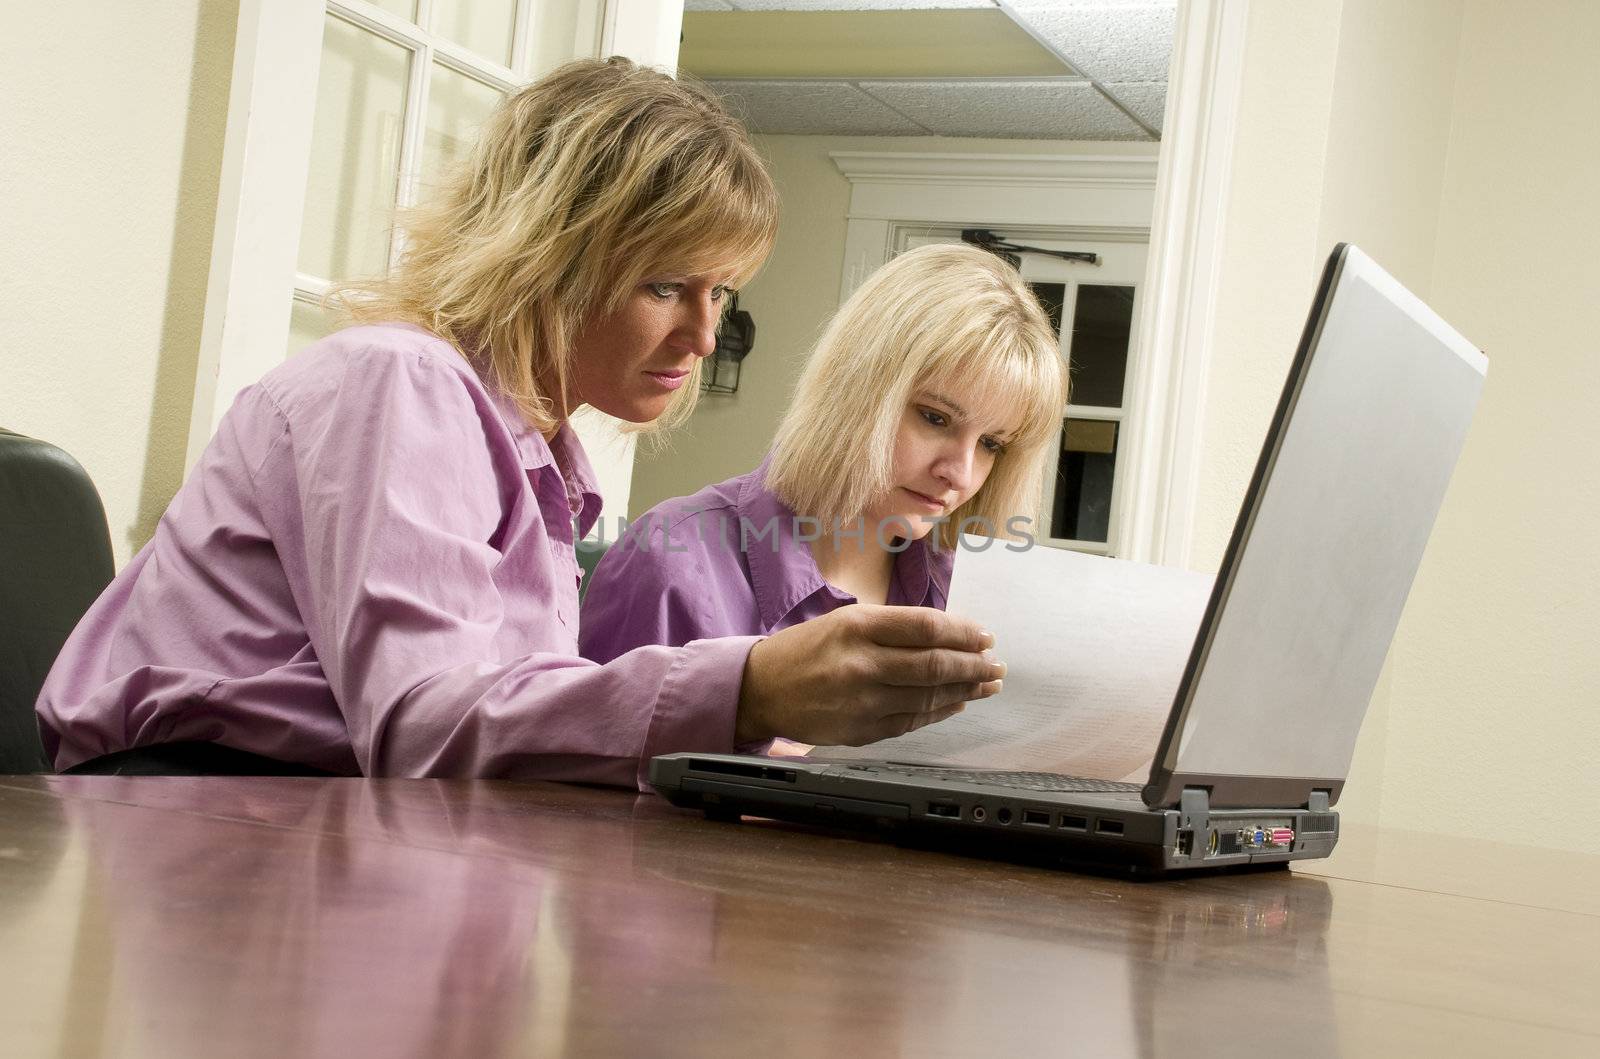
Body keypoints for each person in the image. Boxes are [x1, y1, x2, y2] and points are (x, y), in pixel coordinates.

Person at [35, 58, 1004, 785]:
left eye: (723, 295)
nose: (703, 337)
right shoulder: (399, 381)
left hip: (322, 829)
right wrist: (747, 689)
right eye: (665, 284)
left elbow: (480, 731)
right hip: (190, 826)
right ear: (549, 254)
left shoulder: (539, 464)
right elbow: (422, 727)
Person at [579, 243, 1066, 687]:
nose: (959, 474)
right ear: (856, 392)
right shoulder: (671, 562)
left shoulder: (965, 596)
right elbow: (576, 769)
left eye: (992, 444)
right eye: (935, 418)